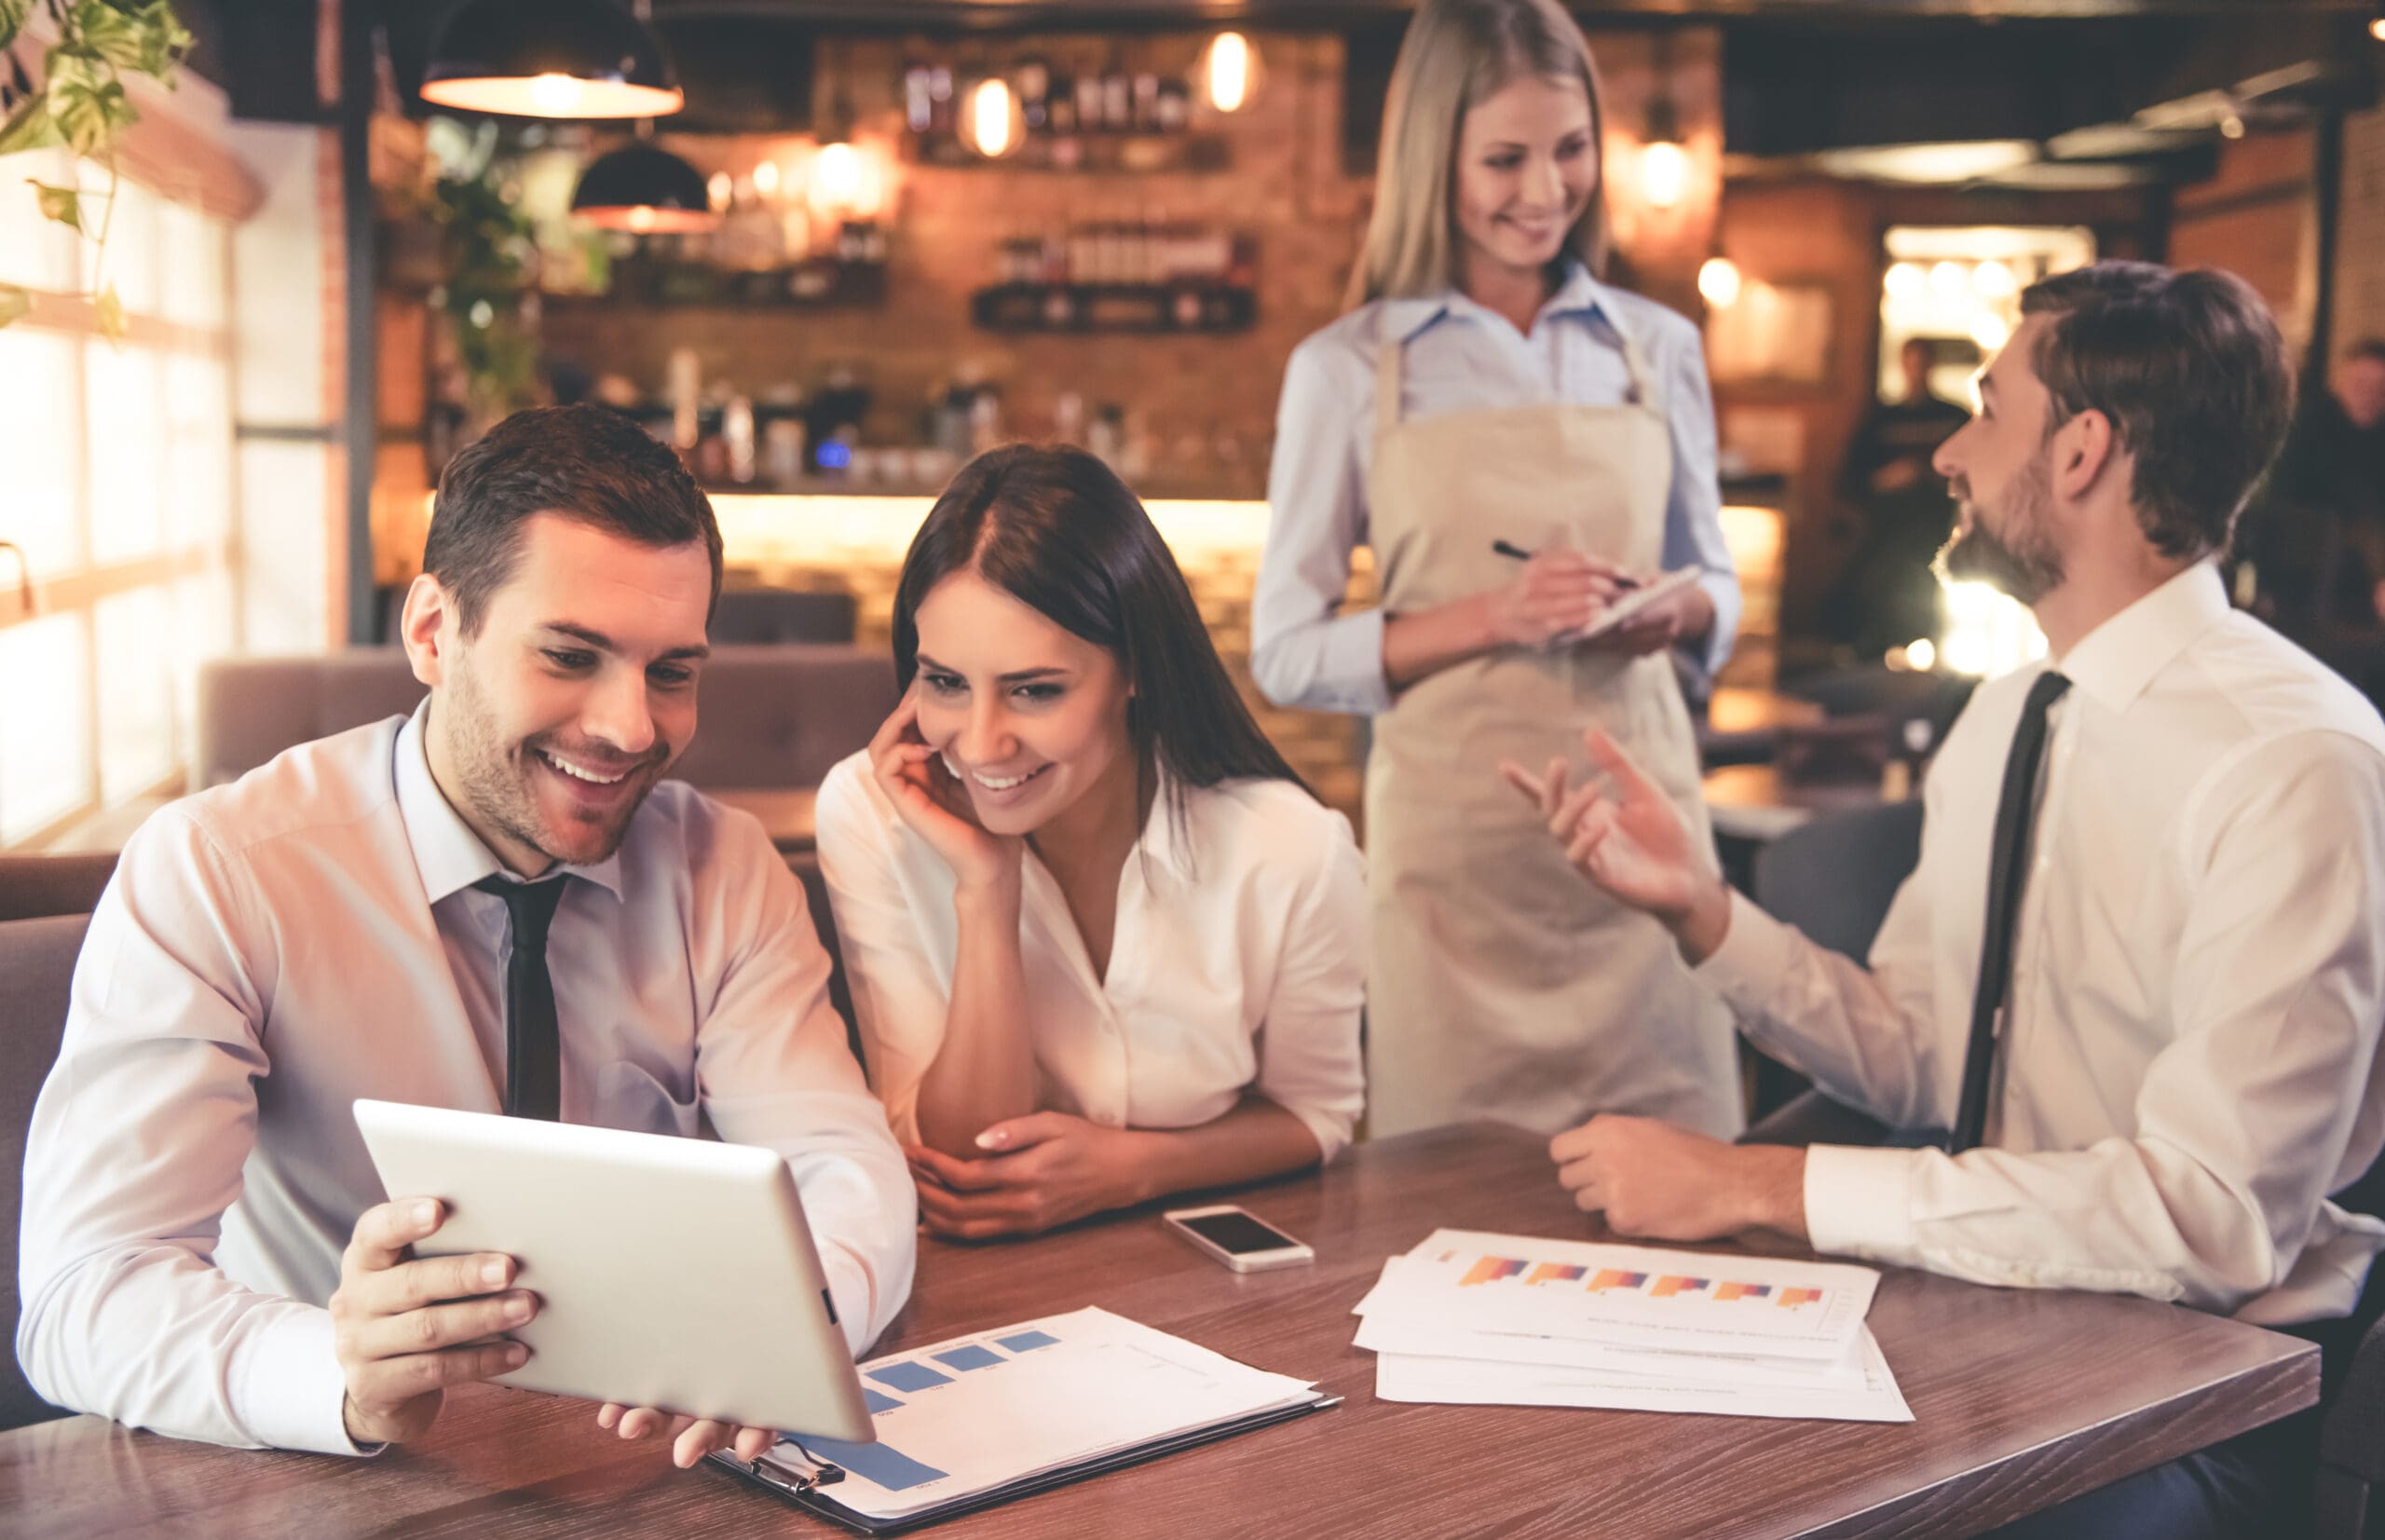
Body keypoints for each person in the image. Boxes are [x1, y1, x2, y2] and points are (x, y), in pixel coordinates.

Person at [1505, 262, 2385, 1538]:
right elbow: (1924, 1055)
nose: (1948, 454)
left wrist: (1758, 1186)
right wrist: (1699, 907)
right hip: (1991, 1312)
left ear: (2083, 451)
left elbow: (2206, 1220)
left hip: (2203, 1391)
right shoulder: (2012, 712)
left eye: (1985, 408)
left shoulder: (2296, 762)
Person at [17, 405, 916, 1465]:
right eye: (572, 655)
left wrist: (798, 1325)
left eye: (672, 671)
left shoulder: (725, 870)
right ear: (435, 632)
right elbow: (88, 1294)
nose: (630, 727)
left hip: (642, 1462)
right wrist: (333, 1374)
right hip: (321, 1476)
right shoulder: (221, 870)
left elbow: (846, 1170)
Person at [1251, 0, 1743, 1141]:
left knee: (1688, 1206)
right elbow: (1285, 650)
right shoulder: (1347, 369)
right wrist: (1497, 613)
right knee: (1452, 1218)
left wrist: (1661, 616)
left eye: (1570, 150)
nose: (1543, 189)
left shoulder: (1654, 346)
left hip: (1644, 841)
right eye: (1504, 160)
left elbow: (1715, 585)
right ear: (1435, 160)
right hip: (1456, 867)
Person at [816, 444, 1366, 1240]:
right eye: (945, 682)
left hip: (1202, 1279)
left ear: (1135, 668)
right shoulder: (869, 813)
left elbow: (1315, 1115)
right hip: (980, 1294)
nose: (981, 745)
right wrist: (987, 887)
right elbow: (963, 1161)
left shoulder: (1294, 849)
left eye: (1034, 690)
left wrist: (1126, 1167)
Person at [2243, 337, 2385, 695]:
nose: (2368, 396)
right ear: (2341, 381)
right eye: (2360, 386)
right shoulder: (2309, 427)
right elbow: (2289, 503)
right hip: (2311, 566)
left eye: (2378, 389)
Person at [1821, 335, 1972, 659]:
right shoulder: (1880, 419)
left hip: (1932, 530)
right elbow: (1849, 480)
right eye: (1910, 363)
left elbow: (1971, 473)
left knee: (1925, 593)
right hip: (1886, 530)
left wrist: (1927, 477)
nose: (1916, 371)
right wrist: (1887, 480)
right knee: (1880, 589)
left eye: (1922, 363)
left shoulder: (1953, 416)